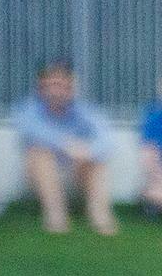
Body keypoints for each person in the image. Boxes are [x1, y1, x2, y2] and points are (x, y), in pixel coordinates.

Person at [15, 60, 117, 235]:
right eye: (52, 84)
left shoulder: (84, 111)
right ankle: (56, 214)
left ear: (71, 86)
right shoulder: (28, 110)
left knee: (96, 158)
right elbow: (31, 132)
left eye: (63, 84)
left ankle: (99, 213)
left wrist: (87, 151)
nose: (57, 90)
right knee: (39, 152)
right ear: (41, 87)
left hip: (76, 169)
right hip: (41, 175)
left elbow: (107, 140)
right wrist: (66, 145)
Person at [138, 78, 162, 219]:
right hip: (158, 175)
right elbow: (148, 155)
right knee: (155, 193)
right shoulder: (153, 116)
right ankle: (150, 198)